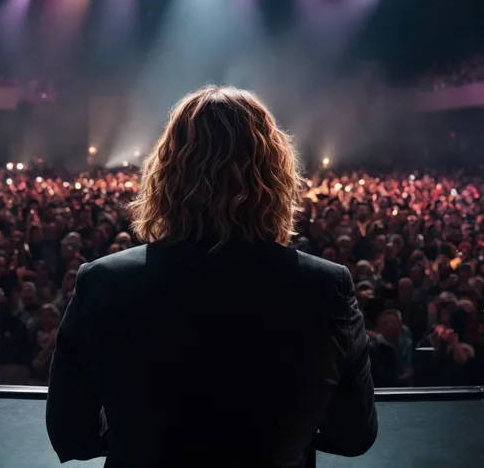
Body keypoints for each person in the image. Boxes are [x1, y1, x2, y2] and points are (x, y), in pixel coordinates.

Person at [46, 86, 378, 467]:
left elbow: (71, 434)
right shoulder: (326, 287)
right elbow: (354, 435)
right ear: (275, 180)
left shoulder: (103, 283)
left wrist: (130, 430)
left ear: (166, 176)